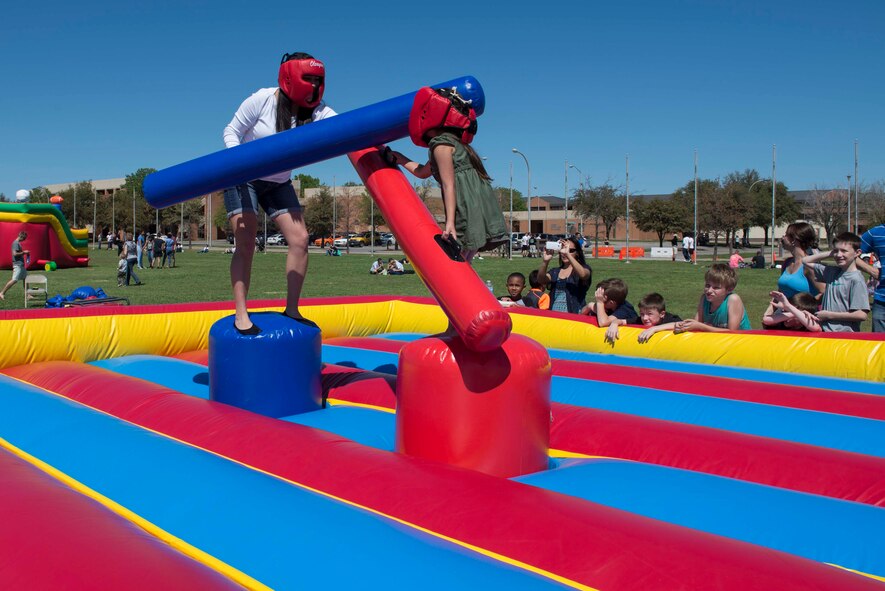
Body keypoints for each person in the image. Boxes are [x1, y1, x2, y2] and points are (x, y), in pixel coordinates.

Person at [222, 51, 335, 334]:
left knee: (301, 239)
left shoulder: (319, 111)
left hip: (278, 181)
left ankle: (293, 309)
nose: (312, 86)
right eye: (306, 78)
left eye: (317, 80)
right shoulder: (263, 99)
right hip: (243, 176)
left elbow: (350, 127)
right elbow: (231, 131)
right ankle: (240, 313)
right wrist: (238, 162)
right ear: (289, 78)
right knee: (246, 241)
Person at [388, 87, 507, 263]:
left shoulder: (441, 146)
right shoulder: (453, 144)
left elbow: (448, 185)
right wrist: (400, 159)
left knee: (460, 254)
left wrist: (450, 222)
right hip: (477, 201)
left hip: (465, 202)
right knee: (467, 253)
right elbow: (422, 172)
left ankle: (463, 287)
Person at [802, 232, 870, 332]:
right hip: (824, 331)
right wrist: (830, 253)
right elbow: (805, 260)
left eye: (844, 251)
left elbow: (861, 315)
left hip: (844, 335)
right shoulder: (832, 272)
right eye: (836, 251)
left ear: (857, 253)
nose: (838, 255)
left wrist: (829, 315)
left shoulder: (856, 279)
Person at [674, 263, 751, 333]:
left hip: (742, 342)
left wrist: (702, 326)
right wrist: (682, 325)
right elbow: (696, 323)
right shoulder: (704, 299)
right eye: (707, 285)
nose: (709, 290)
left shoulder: (733, 299)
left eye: (716, 287)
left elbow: (732, 332)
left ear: (729, 289)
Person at [537, 237, 592, 314]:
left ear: (577, 253)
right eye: (563, 249)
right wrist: (545, 261)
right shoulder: (555, 272)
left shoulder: (585, 268)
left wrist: (568, 255)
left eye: (571, 250)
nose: (565, 252)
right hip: (555, 316)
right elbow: (541, 280)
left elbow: (583, 274)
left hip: (575, 315)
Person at [778, 222, 823, 299]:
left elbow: (824, 291)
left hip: (805, 310)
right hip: (785, 311)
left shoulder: (809, 265)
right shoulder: (787, 263)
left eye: (786, 235)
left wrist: (803, 306)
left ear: (794, 239)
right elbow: (780, 293)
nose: (783, 237)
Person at [860, 223, 885, 332]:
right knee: (879, 345)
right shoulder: (876, 233)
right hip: (882, 300)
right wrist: (871, 270)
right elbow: (849, 251)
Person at [0, 231, 29, 301]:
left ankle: (28, 294)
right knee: (14, 280)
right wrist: (24, 252)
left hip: (21, 265)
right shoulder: (15, 243)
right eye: (24, 239)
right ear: (21, 237)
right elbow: (15, 254)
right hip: (18, 265)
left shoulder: (18, 243)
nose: (24, 240)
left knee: (26, 279)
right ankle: (2, 293)